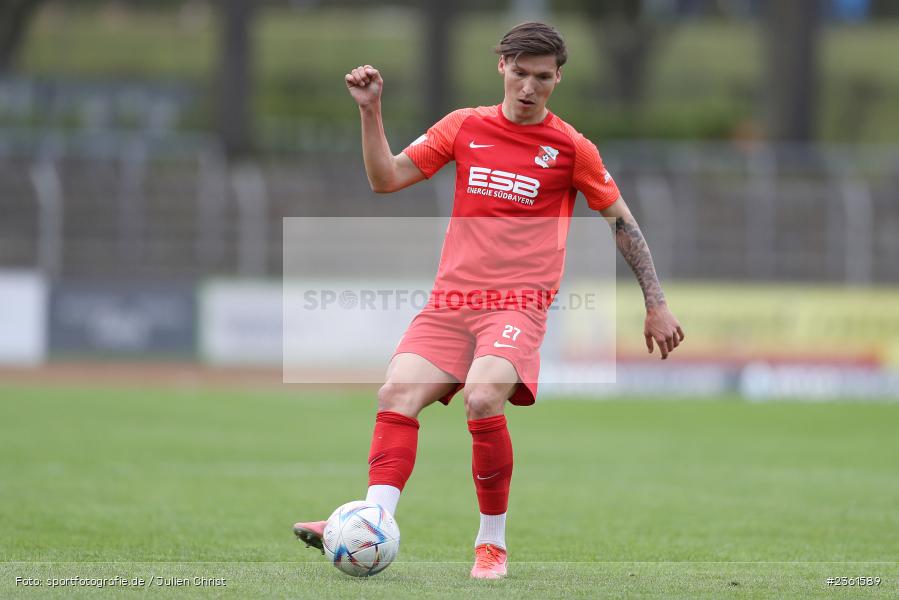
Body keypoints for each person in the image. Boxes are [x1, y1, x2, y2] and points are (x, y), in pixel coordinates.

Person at [294, 21, 684, 579]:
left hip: (517, 305)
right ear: (501, 66)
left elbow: (621, 221)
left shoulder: (571, 147)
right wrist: (370, 110)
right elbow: (386, 179)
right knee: (396, 392)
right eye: (520, 73)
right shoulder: (464, 126)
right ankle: (369, 523)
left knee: (482, 398)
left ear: (558, 79)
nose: (529, 87)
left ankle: (491, 543)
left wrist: (656, 302)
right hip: (451, 302)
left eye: (542, 78)